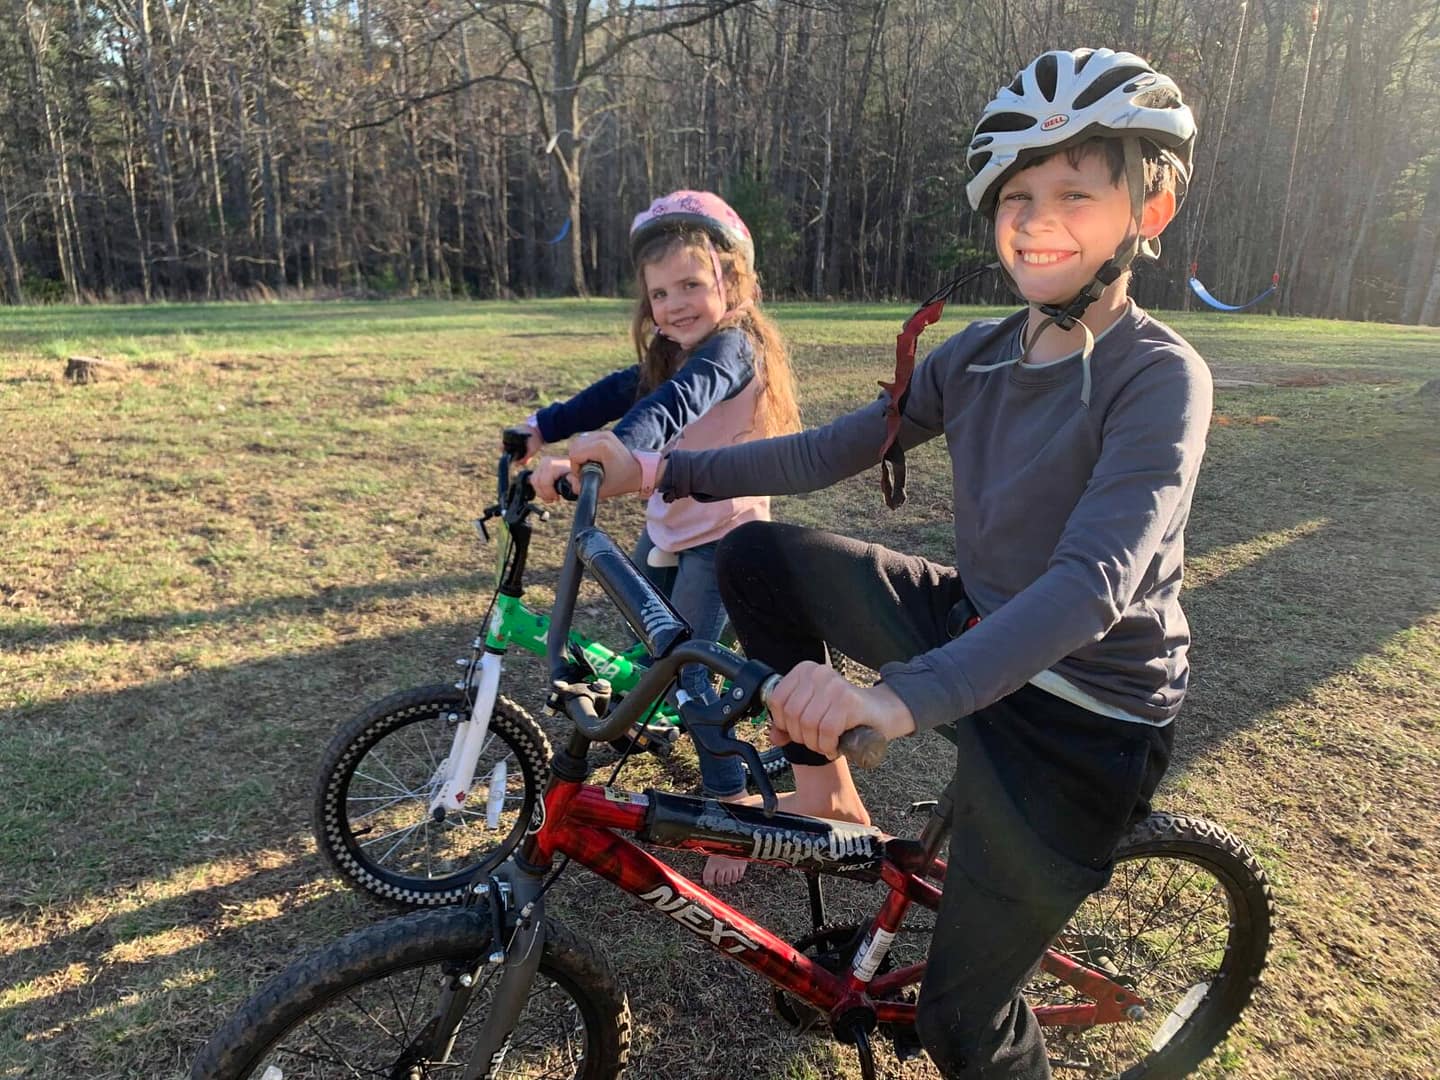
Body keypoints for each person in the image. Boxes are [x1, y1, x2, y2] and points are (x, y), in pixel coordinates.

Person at [566, 49, 1212, 1079]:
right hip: (975, 625)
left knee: (964, 1023)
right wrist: (657, 464)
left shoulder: (1160, 376)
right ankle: (827, 795)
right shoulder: (979, 352)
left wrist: (899, 698)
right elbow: (832, 449)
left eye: (1075, 192)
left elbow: (1095, 581)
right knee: (759, 558)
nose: (1039, 217)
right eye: (1018, 194)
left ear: (1150, 207)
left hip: (1087, 714)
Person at [516, 190, 803, 886]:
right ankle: (760, 713)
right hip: (672, 529)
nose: (675, 305)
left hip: (726, 539)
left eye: (692, 286)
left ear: (732, 283)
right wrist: (546, 424)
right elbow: (626, 389)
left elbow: (674, 407)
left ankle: (730, 810)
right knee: (659, 654)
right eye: (661, 293)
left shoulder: (733, 350)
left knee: (692, 672)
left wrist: (609, 454)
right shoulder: (674, 349)